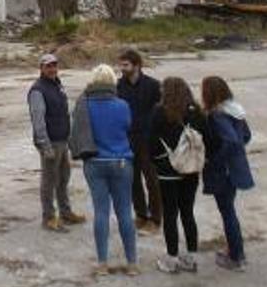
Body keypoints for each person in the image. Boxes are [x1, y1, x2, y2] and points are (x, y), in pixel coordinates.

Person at [68, 64, 138, 273]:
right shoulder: (122, 105)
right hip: (121, 161)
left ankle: (102, 263)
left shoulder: (84, 104)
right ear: (112, 82)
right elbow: (127, 127)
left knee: (101, 212)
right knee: (125, 211)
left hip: (95, 163)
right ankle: (132, 263)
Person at [200, 76, 254, 271]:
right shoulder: (236, 110)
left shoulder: (217, 115)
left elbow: (230, 141)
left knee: (227, 212)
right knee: (229, 210)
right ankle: (235, 249)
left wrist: (215, 159)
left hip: (224, 171)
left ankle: (236, 255)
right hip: (237, 168)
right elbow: (246, 136)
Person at [27, 53, 86, 231]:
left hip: (62, 139)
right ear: (41, 69)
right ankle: (49, 218)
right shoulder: (38, 90)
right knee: (49, 180)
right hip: (50, 142)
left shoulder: (57, 84)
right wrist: (44, 145)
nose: (52, 69)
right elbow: (38, 120)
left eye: (54, 65)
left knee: (63, 178)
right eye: (48, 66)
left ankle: (65, 212)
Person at [150, 77, 202, 274]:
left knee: (170, 215)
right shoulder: (195, 111)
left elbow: (151, 141)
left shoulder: (160, 112)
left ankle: (171, 258)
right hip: (191, 170)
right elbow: (205, 137)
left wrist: (160, 161)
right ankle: (191, 257)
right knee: (188, 212)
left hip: (168, 171)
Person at [115, 48, 162, 232]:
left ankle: (156, 218)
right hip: (127, 139)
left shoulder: (153, 85)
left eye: (126, 65)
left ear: (137, 65)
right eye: (121, 65)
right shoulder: (119, 86)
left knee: (152, 180)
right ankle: (141, 215)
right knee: (132, 180)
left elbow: (161, 111)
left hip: (149, 140)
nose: (122, 68)